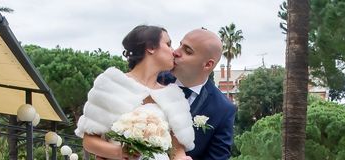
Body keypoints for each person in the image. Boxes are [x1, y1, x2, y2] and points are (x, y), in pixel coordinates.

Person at [75, 25, 194, 160]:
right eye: (168, 44)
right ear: (151, 47)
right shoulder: (112, 84)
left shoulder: (174, 96)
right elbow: (89, 141)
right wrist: (120, 152)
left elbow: (177, 151)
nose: (173, 51)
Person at [159, 29, 236, 160]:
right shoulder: (153, 80)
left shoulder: (223, 109)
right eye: (180, 45)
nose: (176, 52)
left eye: (187, 51)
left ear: (207, 64)